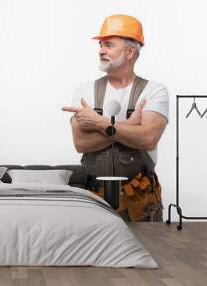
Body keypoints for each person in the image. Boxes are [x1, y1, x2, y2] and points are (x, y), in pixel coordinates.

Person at [62, 14, 169, 222]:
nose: (101, 50)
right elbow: (82, 143)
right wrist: (129, 125)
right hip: (93, 197)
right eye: (101, 45)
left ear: (130, 51)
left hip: (141, 200)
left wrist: (98, 122)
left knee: (146, 251)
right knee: (93, 254)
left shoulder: (154, 91)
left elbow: (147, 138)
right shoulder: (86, 91)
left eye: (109, 45)